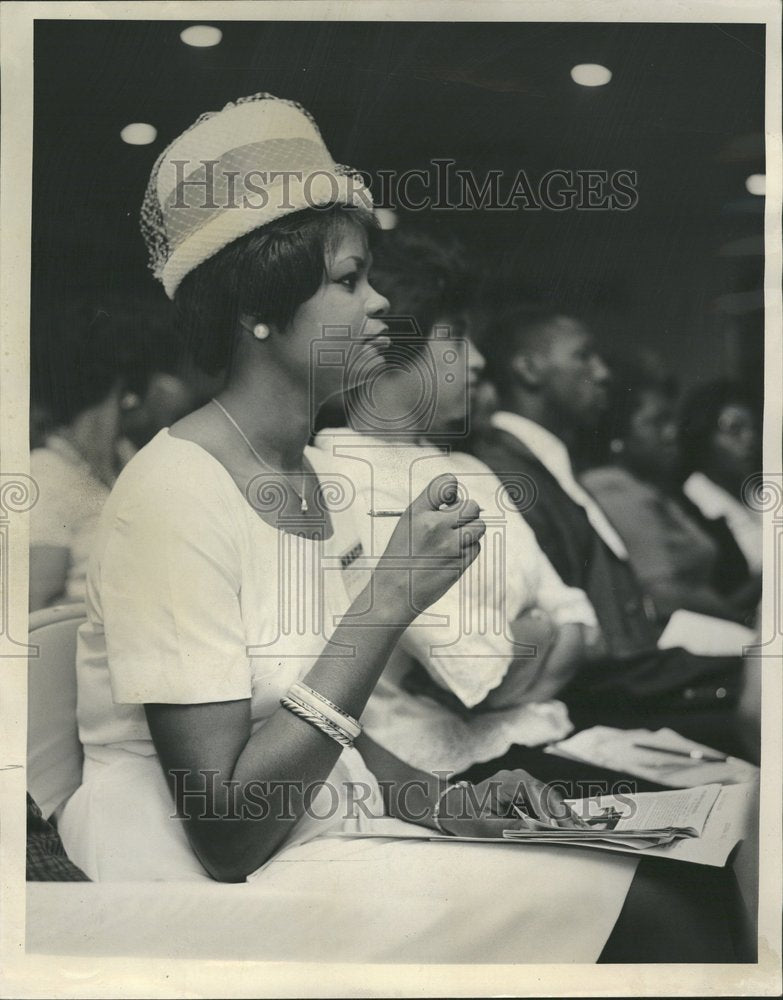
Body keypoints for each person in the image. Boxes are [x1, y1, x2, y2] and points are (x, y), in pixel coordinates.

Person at [58, 95, 643, 964]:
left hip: (317, 834)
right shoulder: (172, 495)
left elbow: (334, 731)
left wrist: (446, 803)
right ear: (259, 306)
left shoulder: (307, 474)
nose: (380, 307)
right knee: (637, 913)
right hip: (193, 884)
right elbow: (227, 832)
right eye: (347, 280)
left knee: (634, 880)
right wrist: (386, 600)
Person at [316, 228, 598, 776]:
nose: (477, 362)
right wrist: (545, 629)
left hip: (544, 738)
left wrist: (539, 634)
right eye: (456, 338)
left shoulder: (469, 469)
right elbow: (479, 676)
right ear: (396, 343)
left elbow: (584, 620)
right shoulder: (338, 476)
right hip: (435, 774)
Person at [470, 304, 742, 745]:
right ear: (529, 368)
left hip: (632, 681)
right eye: (583, 356)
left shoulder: (545, 463)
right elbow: (581, 652)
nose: (602, 374)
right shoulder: (506, 473)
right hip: (597, 706)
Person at [28, 296, 204, 610]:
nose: (168, 391)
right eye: (155, 378)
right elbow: (33, 611)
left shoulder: (128, 458)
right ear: (129, 390)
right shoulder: (44, 475)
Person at [581, 363, 756, 624]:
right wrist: (743, 620)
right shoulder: (614, 489)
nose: (672, 432)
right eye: (657, 422)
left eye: (671, 420)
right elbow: (663, 594)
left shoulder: (654, 489)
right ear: (619, 435)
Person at [679, 380, 763, 581]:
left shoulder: (758, 490)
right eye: (735, 429)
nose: (750, 438)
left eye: (754, 427)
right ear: (703, 436)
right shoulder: (693, 503)